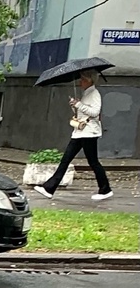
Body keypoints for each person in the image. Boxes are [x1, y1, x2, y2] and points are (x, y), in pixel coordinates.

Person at [34, 72, 113, 201]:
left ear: (89, 80)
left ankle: (105, 189)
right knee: (66, 159)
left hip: (89, 133)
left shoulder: (94, 94)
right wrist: (76, 106)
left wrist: (78, 105)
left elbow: (95, 112)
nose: (79, 82)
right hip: (80, 132)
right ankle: (49, 188)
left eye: (82, 79)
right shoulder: (87, 93)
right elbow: (84, 111)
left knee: (93, 162)